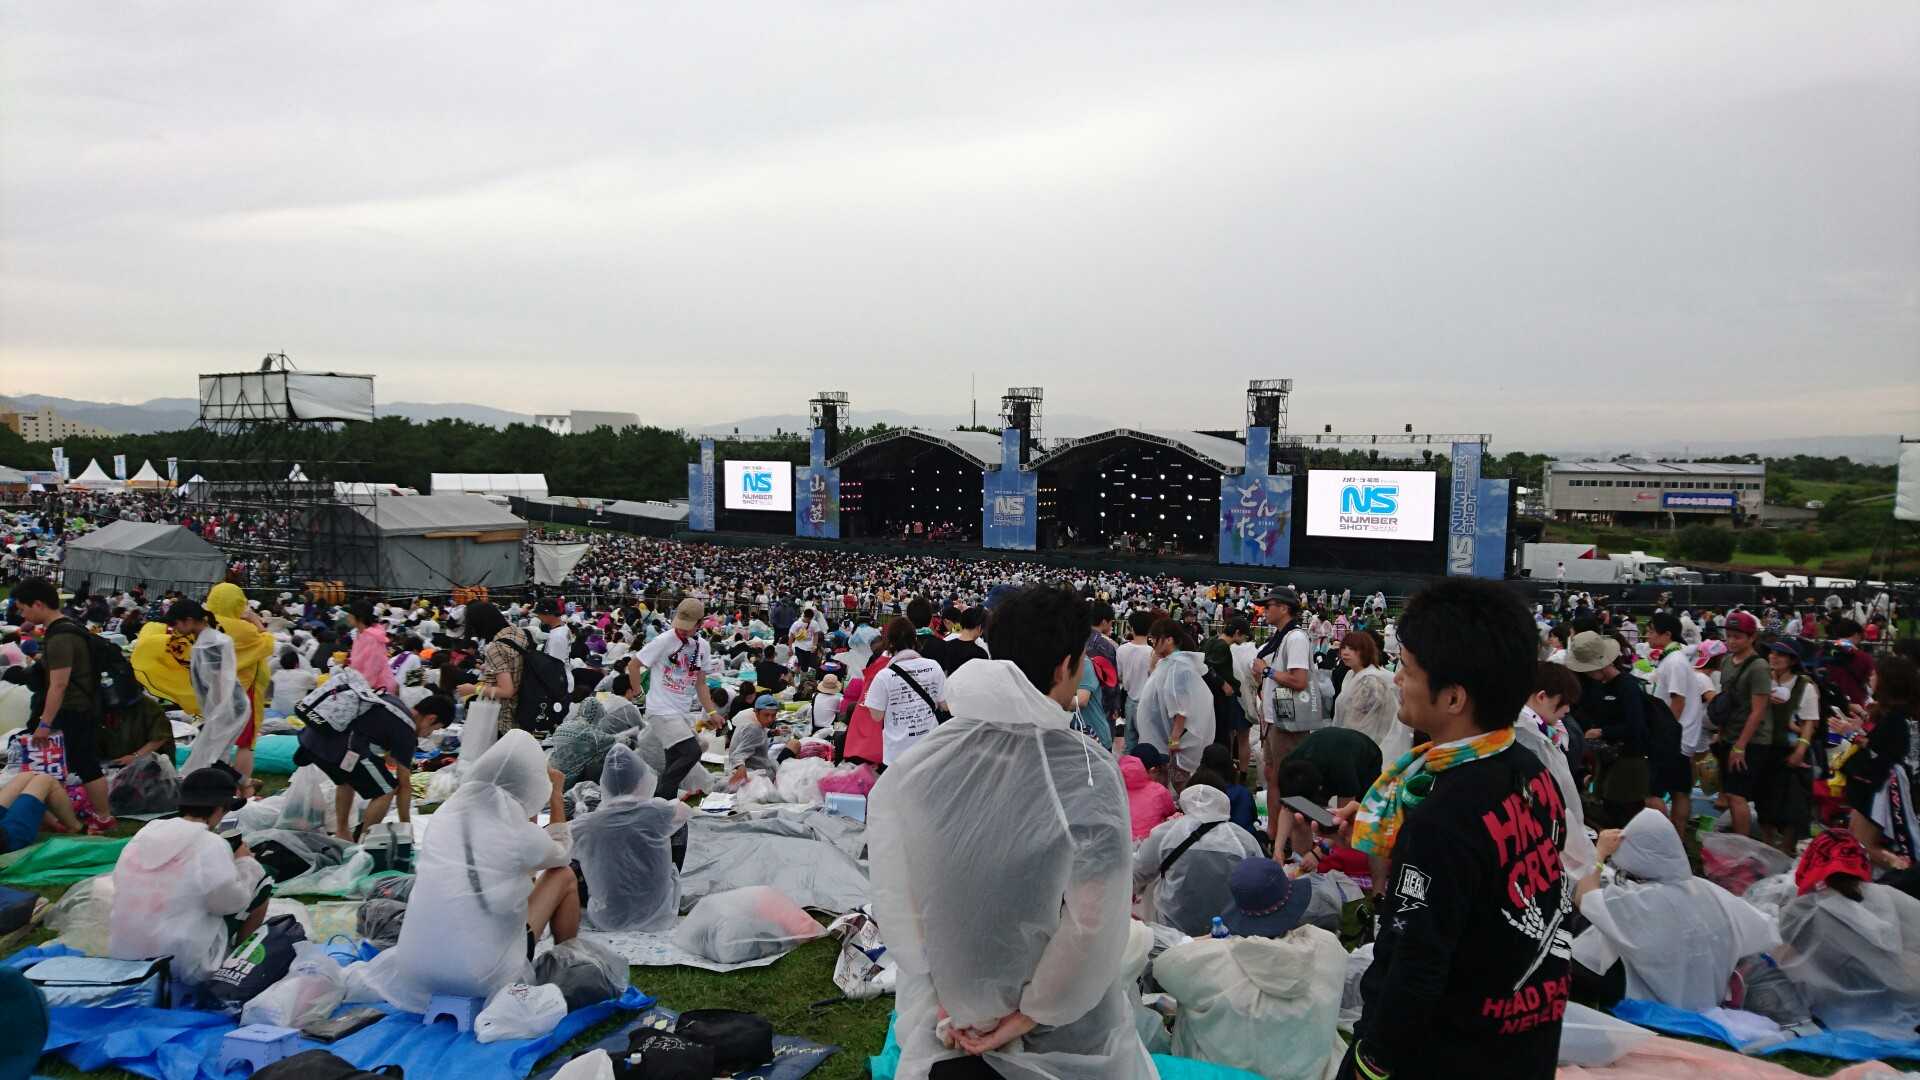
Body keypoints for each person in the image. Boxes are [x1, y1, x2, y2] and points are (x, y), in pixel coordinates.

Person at [868, 584, 1153, 1079]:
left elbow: (904, 891)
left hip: (953, 1000)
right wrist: (1026, 1016)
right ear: (1064, 668)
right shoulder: (1084, 768)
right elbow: (1093, 921)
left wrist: (952, 996)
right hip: (1054, 1022)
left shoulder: (930, 757)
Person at [1342, 578, 1570, 1080]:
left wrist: (1372, 1062)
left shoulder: (1444, 819)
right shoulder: (1529, 768)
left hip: (1447, 1052)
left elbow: (1416, 962)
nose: (1397, 679)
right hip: (1523, 1036)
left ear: (1452, 698)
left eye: (1407, 669)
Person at [351, 730, 577, 1013]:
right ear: (530, 786)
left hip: (415, 968)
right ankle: (570, 963)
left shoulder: (444, 815)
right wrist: (556, 796)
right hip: (481, 976)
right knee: (563, 875)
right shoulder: (519, 835)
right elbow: (561, 852)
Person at [1153, 859, 1347, 1080]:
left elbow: (1163, 965)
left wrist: (1207, 941)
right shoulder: (1327, 947)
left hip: (1223, 1071)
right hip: (1311, 1070)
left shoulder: (1207, 961)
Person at [1569, 809, 1778, 1010]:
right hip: (1707, 1000)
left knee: (1578, 938)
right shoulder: (1709, 891)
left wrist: (1599, 853)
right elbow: (1767, 929)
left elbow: (1584, 896)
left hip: (1653, 1002)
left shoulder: (1642, 901)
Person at [108, 765, 269, 990]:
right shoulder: (211, 843)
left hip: (124, 954)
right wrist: (244, 863)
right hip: (181, 965)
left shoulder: (145, 833)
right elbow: (228, 903)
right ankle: (236, 968)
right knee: (262, 881)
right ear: (219, 809)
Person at [1773, 830, 1920, 1039]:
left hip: (1847, 1004)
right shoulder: (1888, 895)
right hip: (1905, 994)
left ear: (1811, 860)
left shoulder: (1802, 910)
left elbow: (1780, 959)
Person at [12, 577, 112, 829]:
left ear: (38, 604)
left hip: (71, 709)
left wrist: (44, 724)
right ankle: (65, 817)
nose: (22, 615)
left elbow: (59, 684)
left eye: (23, 609)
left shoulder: (60, 637)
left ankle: (102, 817)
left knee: (83, 764)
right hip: (80, 705)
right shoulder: (69, 626)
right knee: (66, 764)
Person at [295, 688, 450, 840]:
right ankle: (364, 843)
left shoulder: (393, 702)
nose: (428, 735)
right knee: (387, 789)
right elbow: (404, 785)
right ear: (431, 719)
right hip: (341, 748)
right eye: (434, 729)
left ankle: (342, 832)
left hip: (313, 738)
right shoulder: (407, 730)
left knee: (347, 779)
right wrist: (406, 828)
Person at [573, 743, 690, 931]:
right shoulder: (658, 811)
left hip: (607, 918)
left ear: (605, 784)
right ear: (641, 781)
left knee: (577, 849)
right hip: (657, 915)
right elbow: (684, 811)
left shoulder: (588, 823)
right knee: (679, 826)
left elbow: (556, 842)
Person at [1132, 782, 1263, 936]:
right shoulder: (1243, 840)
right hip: (1227, 933)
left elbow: (1136, 873)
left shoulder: (1165, 833)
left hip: (1172, 934)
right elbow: (1260, 882)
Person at [634, 599, 724, 799]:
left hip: (681, 712)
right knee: (692, 752)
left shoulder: (703, 647)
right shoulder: (664, 640)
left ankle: (665, 803)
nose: (682, 630)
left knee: (674, 760)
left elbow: (701, 684)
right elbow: (634, 664)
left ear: (700, 624)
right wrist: (639, 694)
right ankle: (660, 796)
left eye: (688, 626)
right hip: (660, 710)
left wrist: (712, 711)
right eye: (680, 625)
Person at [1842, 655, 1918, 888]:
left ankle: (1907, 869)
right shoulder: (1904, 714)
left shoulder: (1895, 718)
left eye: (1875, 674)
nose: (1871, 677)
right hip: (1884, 784)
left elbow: (1884, 752)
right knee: (1858, 839)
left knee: (1863, 844)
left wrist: (1852, 735)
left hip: (1882, 787)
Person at [1518, 661, 1596, 880]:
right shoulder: (1524, 735)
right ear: (1542, 697)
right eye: (1563, 703)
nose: (1567, 710)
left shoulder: (1542, 729)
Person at [1565, 630, 1651, 828]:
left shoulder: (1627, 686)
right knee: (1606, 805)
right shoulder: (1597, 687)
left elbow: (1636, 725)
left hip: (1629, 758)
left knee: (1624, 808)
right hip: (1607, 757)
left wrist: (1602, 732)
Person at [167, 600, 256, 786]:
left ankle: (245, 785)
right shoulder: (209, 640)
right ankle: (241, 785)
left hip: (228, 707)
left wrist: (218, 713)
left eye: (175, 624)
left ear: (188, 621)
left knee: (210, 758)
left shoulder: (209, 644)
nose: (174, 629)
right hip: (227, 705)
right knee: (213, 755)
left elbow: (219, 681)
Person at [1250, 590, 1313, 847]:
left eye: (1269, 606)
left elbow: (1299, 680)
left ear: (1284, 608)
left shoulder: (1295, 637)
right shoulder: (1282, 637)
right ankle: (1274, 832)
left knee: (1286, 779)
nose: (1264, 611)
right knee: (1272, 775)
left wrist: (1267, 671)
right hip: (1275, 718)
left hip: (1287, 721)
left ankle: (1289, 839)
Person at [1717, 610, 1777, 841]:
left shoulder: (1759, 667)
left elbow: (1758, 710)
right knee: (1730, 793)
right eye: (1729, 636)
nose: (1732, 641)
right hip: (1729, 734)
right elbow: (1725, 701)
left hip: (1752, 740)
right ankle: (1738, 839)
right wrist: (1721, 734)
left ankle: (1741, 844)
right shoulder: (1726, 661)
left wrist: (1740, 746)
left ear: (1752, 638)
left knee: (1737, 794)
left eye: (1738, 636)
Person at [1646, 612, 1707, 837]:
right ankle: (1677, 837)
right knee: (1679, 790)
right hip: (1680, 735)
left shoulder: (1675, 661)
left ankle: (1671, 837)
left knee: (1658, 791)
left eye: (1651, 631)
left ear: (1667, 635)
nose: (1648, 635)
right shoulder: (1673, 659)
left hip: (1676, 737)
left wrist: (1665, 733)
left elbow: (1678, 701)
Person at [1133, 619, 1213, 779]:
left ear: (1169, 640)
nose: (1152, 643)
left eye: (1155, 638)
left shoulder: (1178, 667)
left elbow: (1181, 709)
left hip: (1166, 743)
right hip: (1158, 739)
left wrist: (1174, 740)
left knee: (1170, 782)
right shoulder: (1169, 663)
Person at [862, 617, 947, 767]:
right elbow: (944, 705)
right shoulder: (934, 666)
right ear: (915, 639)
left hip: (897, 752)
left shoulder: (884, 676)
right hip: (928, 747)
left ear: (890, 643)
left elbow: (876, 716)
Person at [458, 600, 528, 731]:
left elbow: (507, 691)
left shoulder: (496, 648)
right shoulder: (517, 632)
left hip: (504, 716)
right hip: (523, 705)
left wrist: (473, 689)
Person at [1333, 630, 1403, 755]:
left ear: (1366, 651)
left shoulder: (1371, 681)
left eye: (1352, 648)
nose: (1345, 652)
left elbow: (1364, 722)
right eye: (1343, 647)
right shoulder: (1350, 674)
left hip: (1368, 745)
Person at [0, 771, 85, 852]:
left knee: (25, 776)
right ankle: (77, 828)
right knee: (46, 780)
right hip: (6, 838)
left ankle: (56, 822)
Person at [1116, 609, 1156, 749]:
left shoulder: (1121, 650)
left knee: (1130, 743)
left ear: (1131, 628)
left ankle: (1129, 763)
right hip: (1147, 703)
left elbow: (1118, 676)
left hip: (1129, 700)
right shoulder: (1153, 652)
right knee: (1147, 744)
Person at [1121, 745, 1177, 841]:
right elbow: (1171, 812)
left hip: (1121, 842)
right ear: (1153, 770)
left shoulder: (1117, 787)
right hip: (1148, 843)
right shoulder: (1159, 790)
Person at [346, 600, 397, 694]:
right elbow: (360, 658)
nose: (347, 617)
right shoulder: (360, 633)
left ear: (360, 618)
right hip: (364, 684)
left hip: (379, 688)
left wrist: (361, 689)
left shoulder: (372, 638)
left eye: (350, 615)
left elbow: (373, 669)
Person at [728, 694, 780, 786]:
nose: (770, 719)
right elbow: (738, 755)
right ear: (756, 712)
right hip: (754, 773)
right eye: (766, 715)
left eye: (773, 715)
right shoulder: (753, 728)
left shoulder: (749, 720)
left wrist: (770, 732)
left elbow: (757, 734)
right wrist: (740, 767)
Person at [534, 597, 575, 695]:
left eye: (540, 614)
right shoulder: (563, 627)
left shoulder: (557, 637)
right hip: (564, 677)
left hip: (560, 683)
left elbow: (555, 667)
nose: (538, 617)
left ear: (549, 614)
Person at [269, 647, 318, 715]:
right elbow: (315, 685)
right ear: (297, 664)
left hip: (276, 710)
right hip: (295, 712)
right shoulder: (305, 675)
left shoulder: (276, 674)